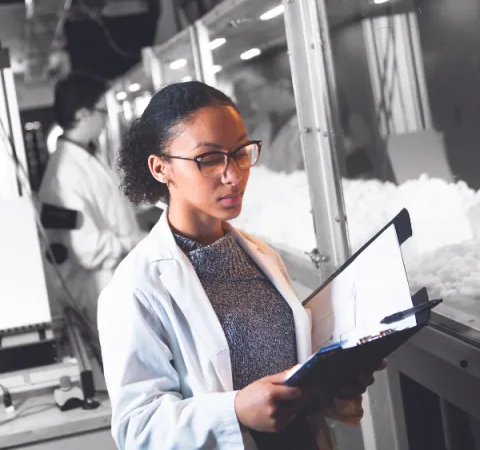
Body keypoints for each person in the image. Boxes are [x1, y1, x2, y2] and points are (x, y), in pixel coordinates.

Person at [98, 81, 383, 449]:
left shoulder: (262, 257)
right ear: (160, 168)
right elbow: (137, 429)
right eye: (210, 159)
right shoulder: (135, 289)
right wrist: (233, 412)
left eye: (240, 152)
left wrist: (332, 382)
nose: (233, 174)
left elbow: (288, 374)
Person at [39, 73, 145, 331]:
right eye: (101, 111)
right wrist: (138, 241)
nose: (105, 118)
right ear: (81, 114)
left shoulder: (87, 154)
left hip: (120, 281)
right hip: (100, 290)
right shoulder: (63, 174)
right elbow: (88, 250)